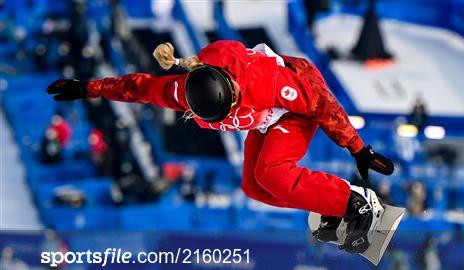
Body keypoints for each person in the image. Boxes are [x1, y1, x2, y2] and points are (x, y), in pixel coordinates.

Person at [46, 40, 395, 254]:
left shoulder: (264, 82)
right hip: (266, 119)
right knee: (253, 187)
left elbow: (321, 104)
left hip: (294, 106)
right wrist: (88, 88)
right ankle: (331, 205)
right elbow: (139, 87)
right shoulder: (184, 92)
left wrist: (358, 149)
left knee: (272, 174)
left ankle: (354, 203)